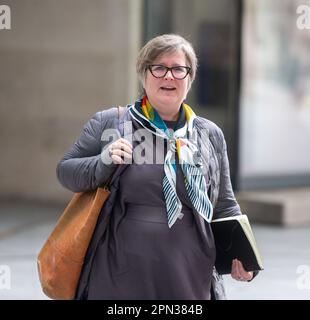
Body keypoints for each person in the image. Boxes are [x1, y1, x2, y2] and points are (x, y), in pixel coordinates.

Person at [56, 34, 255, 300]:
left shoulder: (209, 134)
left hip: (189, 272)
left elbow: (225, 204)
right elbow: (66, 172)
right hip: (120, 269)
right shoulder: (111, 123)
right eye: (159, 68)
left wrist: (243, 254)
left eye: (178, 69)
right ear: (144, 74)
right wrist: (103, 161)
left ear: (190, 78)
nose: (168, 77)